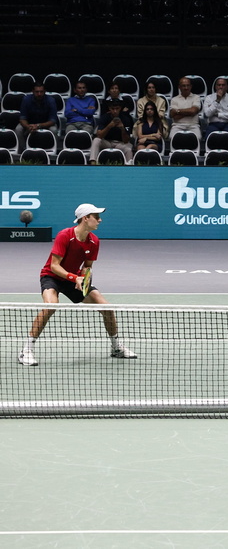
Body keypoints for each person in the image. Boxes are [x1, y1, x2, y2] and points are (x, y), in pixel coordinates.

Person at [17, 203, 137, 367]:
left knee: (107, 308)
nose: (100, 220)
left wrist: (83, 278)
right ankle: (26, 350)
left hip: (75, 281)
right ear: (85, 218)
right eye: (96, 217)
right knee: (51, 306)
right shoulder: (65, 235)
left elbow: (87, 266)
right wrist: (75, 278)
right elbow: (54, 266)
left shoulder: (94, 241)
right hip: (52, 277)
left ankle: (116, 348)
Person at [15, 82, 58, 150]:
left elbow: (52, 120)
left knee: (54, 129)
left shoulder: (51, 101)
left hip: (46, 124)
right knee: (18, 129)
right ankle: (23, 150)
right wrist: (28, 126)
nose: (39, 94)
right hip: (29, 124)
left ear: (45, 91)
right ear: (32, 91)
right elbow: (22, 118)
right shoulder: (26, 100)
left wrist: (38, 126)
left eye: (41, 92)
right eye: (37, 92)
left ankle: (52, 149)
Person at [90, 97, 133, 163]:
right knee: (96, 140)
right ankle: (93, 163)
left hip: (120, 143)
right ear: (109, 108)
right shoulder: (104, 117)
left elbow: (126, 140)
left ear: (120, 108)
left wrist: (122, 129)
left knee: (128, 149)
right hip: (107, 142)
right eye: (113, 109)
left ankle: (129, 167)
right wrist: (109, 126)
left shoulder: (125, 119)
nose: (115, 111)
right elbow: (99, 135)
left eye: (117, 109)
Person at [169, 77, 202, 141]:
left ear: (191, 86)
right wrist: (189, 112)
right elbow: (174, 116)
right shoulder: (174, 99)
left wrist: (178, 111)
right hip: (177, 125)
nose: (186, 88)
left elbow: (193, 111)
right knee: (171, 137)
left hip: (193, 125)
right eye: (183, 86)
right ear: (179, 87)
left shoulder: (196, 97)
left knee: (198, 138)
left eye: (188, 85)